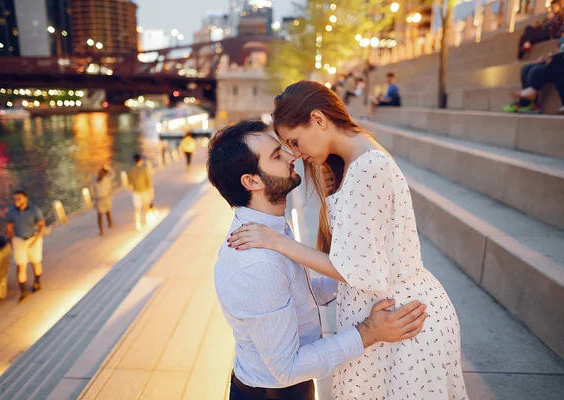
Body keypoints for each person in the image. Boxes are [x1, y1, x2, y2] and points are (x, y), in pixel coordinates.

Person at [228, 81, 469, 400]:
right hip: (389, 319)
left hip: (401, 322)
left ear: (318, 119)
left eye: (295, 142)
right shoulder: (356, 162)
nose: (297, 155)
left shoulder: (367, 166)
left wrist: (277, 241)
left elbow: (359, 270)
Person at [208, 120, 428, 400]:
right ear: (252, 181)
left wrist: (355, 274)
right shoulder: (257, 264)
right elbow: (287, 369)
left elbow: (300, 296)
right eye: (277, 155)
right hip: (274, 392)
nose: (292, 156)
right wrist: (370, 332)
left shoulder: (268, 229)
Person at [505, 36, 564, 113]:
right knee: (526, 68)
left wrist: (554, 58)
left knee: (536, 70)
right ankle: (526, 103)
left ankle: (531, 92)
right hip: (557, 63)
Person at [6, 190, 45, 302]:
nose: (16, 201)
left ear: (25, 199)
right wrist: (11, 241)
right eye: (15, 199)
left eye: (19, 199)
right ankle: (23, 292)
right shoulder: (11, 211)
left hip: (33, 238)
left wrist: (36, 240)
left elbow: (42, 226)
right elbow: (9, 227)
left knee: (35, 262)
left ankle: (37, 281)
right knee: (20, 265)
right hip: (18, 240)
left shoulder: (34, 210)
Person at [127, 154, 154, 231]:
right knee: (146, 207)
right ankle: (147, 221)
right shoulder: (144, 169)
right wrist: (151, 192)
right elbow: (149, 182)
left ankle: (137, 224)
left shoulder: (131, 170)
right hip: (144, 191)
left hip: (136, 192)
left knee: (137, 209)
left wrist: (132, 189)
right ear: (141, 160)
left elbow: (129, 183)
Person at [90, 166, 115, 236]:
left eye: (102, 172)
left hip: (104, 198)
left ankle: (109, 224)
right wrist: (94, 196)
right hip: (100, 199)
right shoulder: (95, 180)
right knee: (101, 214)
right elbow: (91, 189)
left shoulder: (105, 178)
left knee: (107, 212)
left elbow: (113, 174)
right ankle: (102, 229)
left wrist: (107, 167)